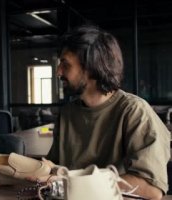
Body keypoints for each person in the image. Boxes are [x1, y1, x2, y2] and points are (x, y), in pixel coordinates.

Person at [29, 25, 170, 199]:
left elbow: (150, 188)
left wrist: (68, 182)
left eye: (65, 64)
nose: (58, 71)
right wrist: (12, 175)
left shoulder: (134, 111)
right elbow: (52, 170)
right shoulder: (67, 113)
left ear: (91, 67)